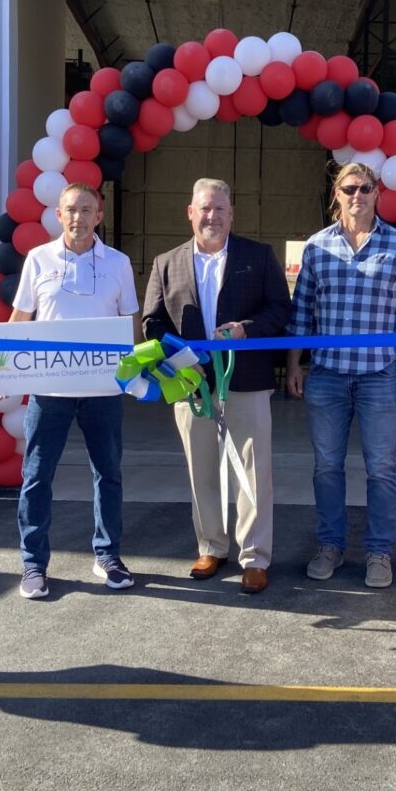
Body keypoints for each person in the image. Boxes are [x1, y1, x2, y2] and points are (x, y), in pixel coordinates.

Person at [286, 161, 396, 589]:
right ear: (337, 194)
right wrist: (295, 365)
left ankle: (379, 553)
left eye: (366, 188)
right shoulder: (316, 248)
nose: (358, 195)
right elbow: (302, 316)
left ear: (377, 194)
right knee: (327, 466)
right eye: (349, 187)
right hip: (328, 377)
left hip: (378, 377)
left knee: (382, 469)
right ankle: (330, 545)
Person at [142, 178, 291, 594]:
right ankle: (211, 546)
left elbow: (281, 309)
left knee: (252, 473)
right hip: (191, 387)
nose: (212, 216)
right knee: (202, 471)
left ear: (231, 214)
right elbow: (151, 322)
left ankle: (255, 556)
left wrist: (247, 328)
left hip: (247, 381)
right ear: (191, 212)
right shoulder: (165, 263)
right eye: (205, 209)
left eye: (220, 209)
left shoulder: (258, 257)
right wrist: (176, 356)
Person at [9, 182, 141, 599]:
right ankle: (33, 565)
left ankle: (108, 555)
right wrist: (3, 375)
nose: (79, 217)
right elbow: (20, 320)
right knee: (36, 476)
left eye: (87, 209)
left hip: (102, 391)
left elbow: (133, 328)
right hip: (50, 391)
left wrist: (134, 375)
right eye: (71, 209)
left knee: (109, 474)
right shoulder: (38, 259)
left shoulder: (119, 264)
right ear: (58, 215)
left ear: (99, 216)